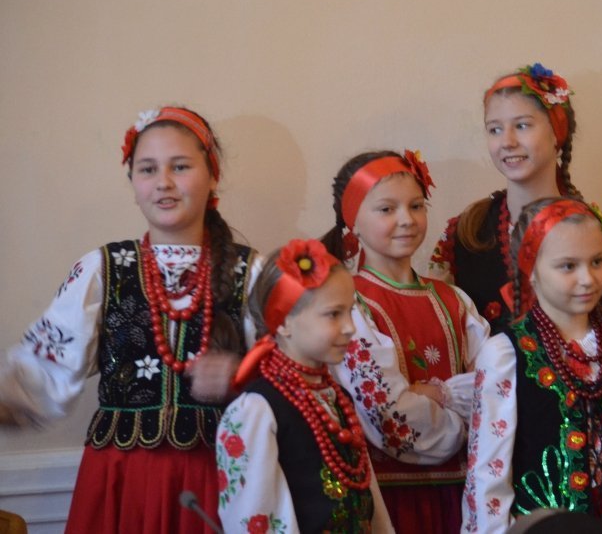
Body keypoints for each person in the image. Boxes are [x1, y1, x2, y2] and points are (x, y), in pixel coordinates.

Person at [0, 107, 261, 533]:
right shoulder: (102, 270)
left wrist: (244, 376)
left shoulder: (252, 274)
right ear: (133, 183)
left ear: (213, 176)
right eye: (147, 169)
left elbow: (300, 376)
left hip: (221, 481)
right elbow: (41, 374)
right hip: (122, 485)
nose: (163, 182)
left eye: (180, 166)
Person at [463, 197, 602, 533]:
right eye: (568, 266)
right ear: (532, 271)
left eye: (597, 261)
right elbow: (488, 477)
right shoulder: (505, 354)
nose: (588, 279)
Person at [321, 150, 490, 534]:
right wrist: (460, 407)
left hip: (467, 497)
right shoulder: (349, 305)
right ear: (354, 222)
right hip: (392, 502)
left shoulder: (454, 300)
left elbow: (496, 391)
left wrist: (431, 394)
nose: (406, 219)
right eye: (387, 209)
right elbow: (392, 422)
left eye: (416, 206)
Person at [430, 63, 602, 334]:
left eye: (522, 126)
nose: (507, 141)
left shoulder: (601, 232)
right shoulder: (466, 232)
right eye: (494, 129)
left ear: (556, 133)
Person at [216, 238, 392, 533]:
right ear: (284, 321)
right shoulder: (256, 410)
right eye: (334, 314)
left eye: (350, 311)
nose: (350, 327)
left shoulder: (337, 398)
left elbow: (368, 497)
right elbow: (254, 517)